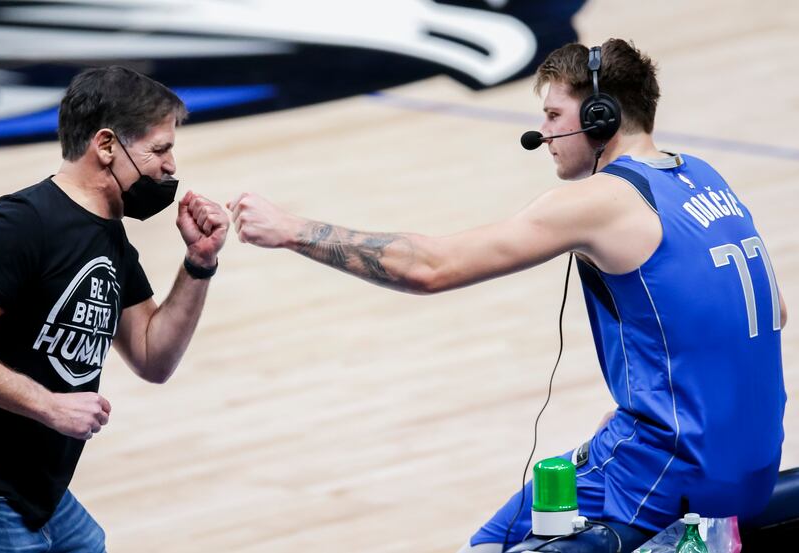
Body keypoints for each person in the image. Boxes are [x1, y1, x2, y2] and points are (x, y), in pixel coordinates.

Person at [227, 39, 787, 551]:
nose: (542, 134)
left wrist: (291, 230)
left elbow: (431, 267)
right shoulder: (706, 177)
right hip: (754, 465)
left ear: (600, 117)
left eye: (552, 115)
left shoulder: (603, 199)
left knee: (488, 543)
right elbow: (773, 312)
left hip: (665, 471)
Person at [0, 66, 228, 552]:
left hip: (42, 493)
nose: (171, 166)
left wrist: (199, 263)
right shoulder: (25, 225)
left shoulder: (109, 238)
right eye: (159, 149)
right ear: (106, 145)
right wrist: (47, 404)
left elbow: (153, 356)